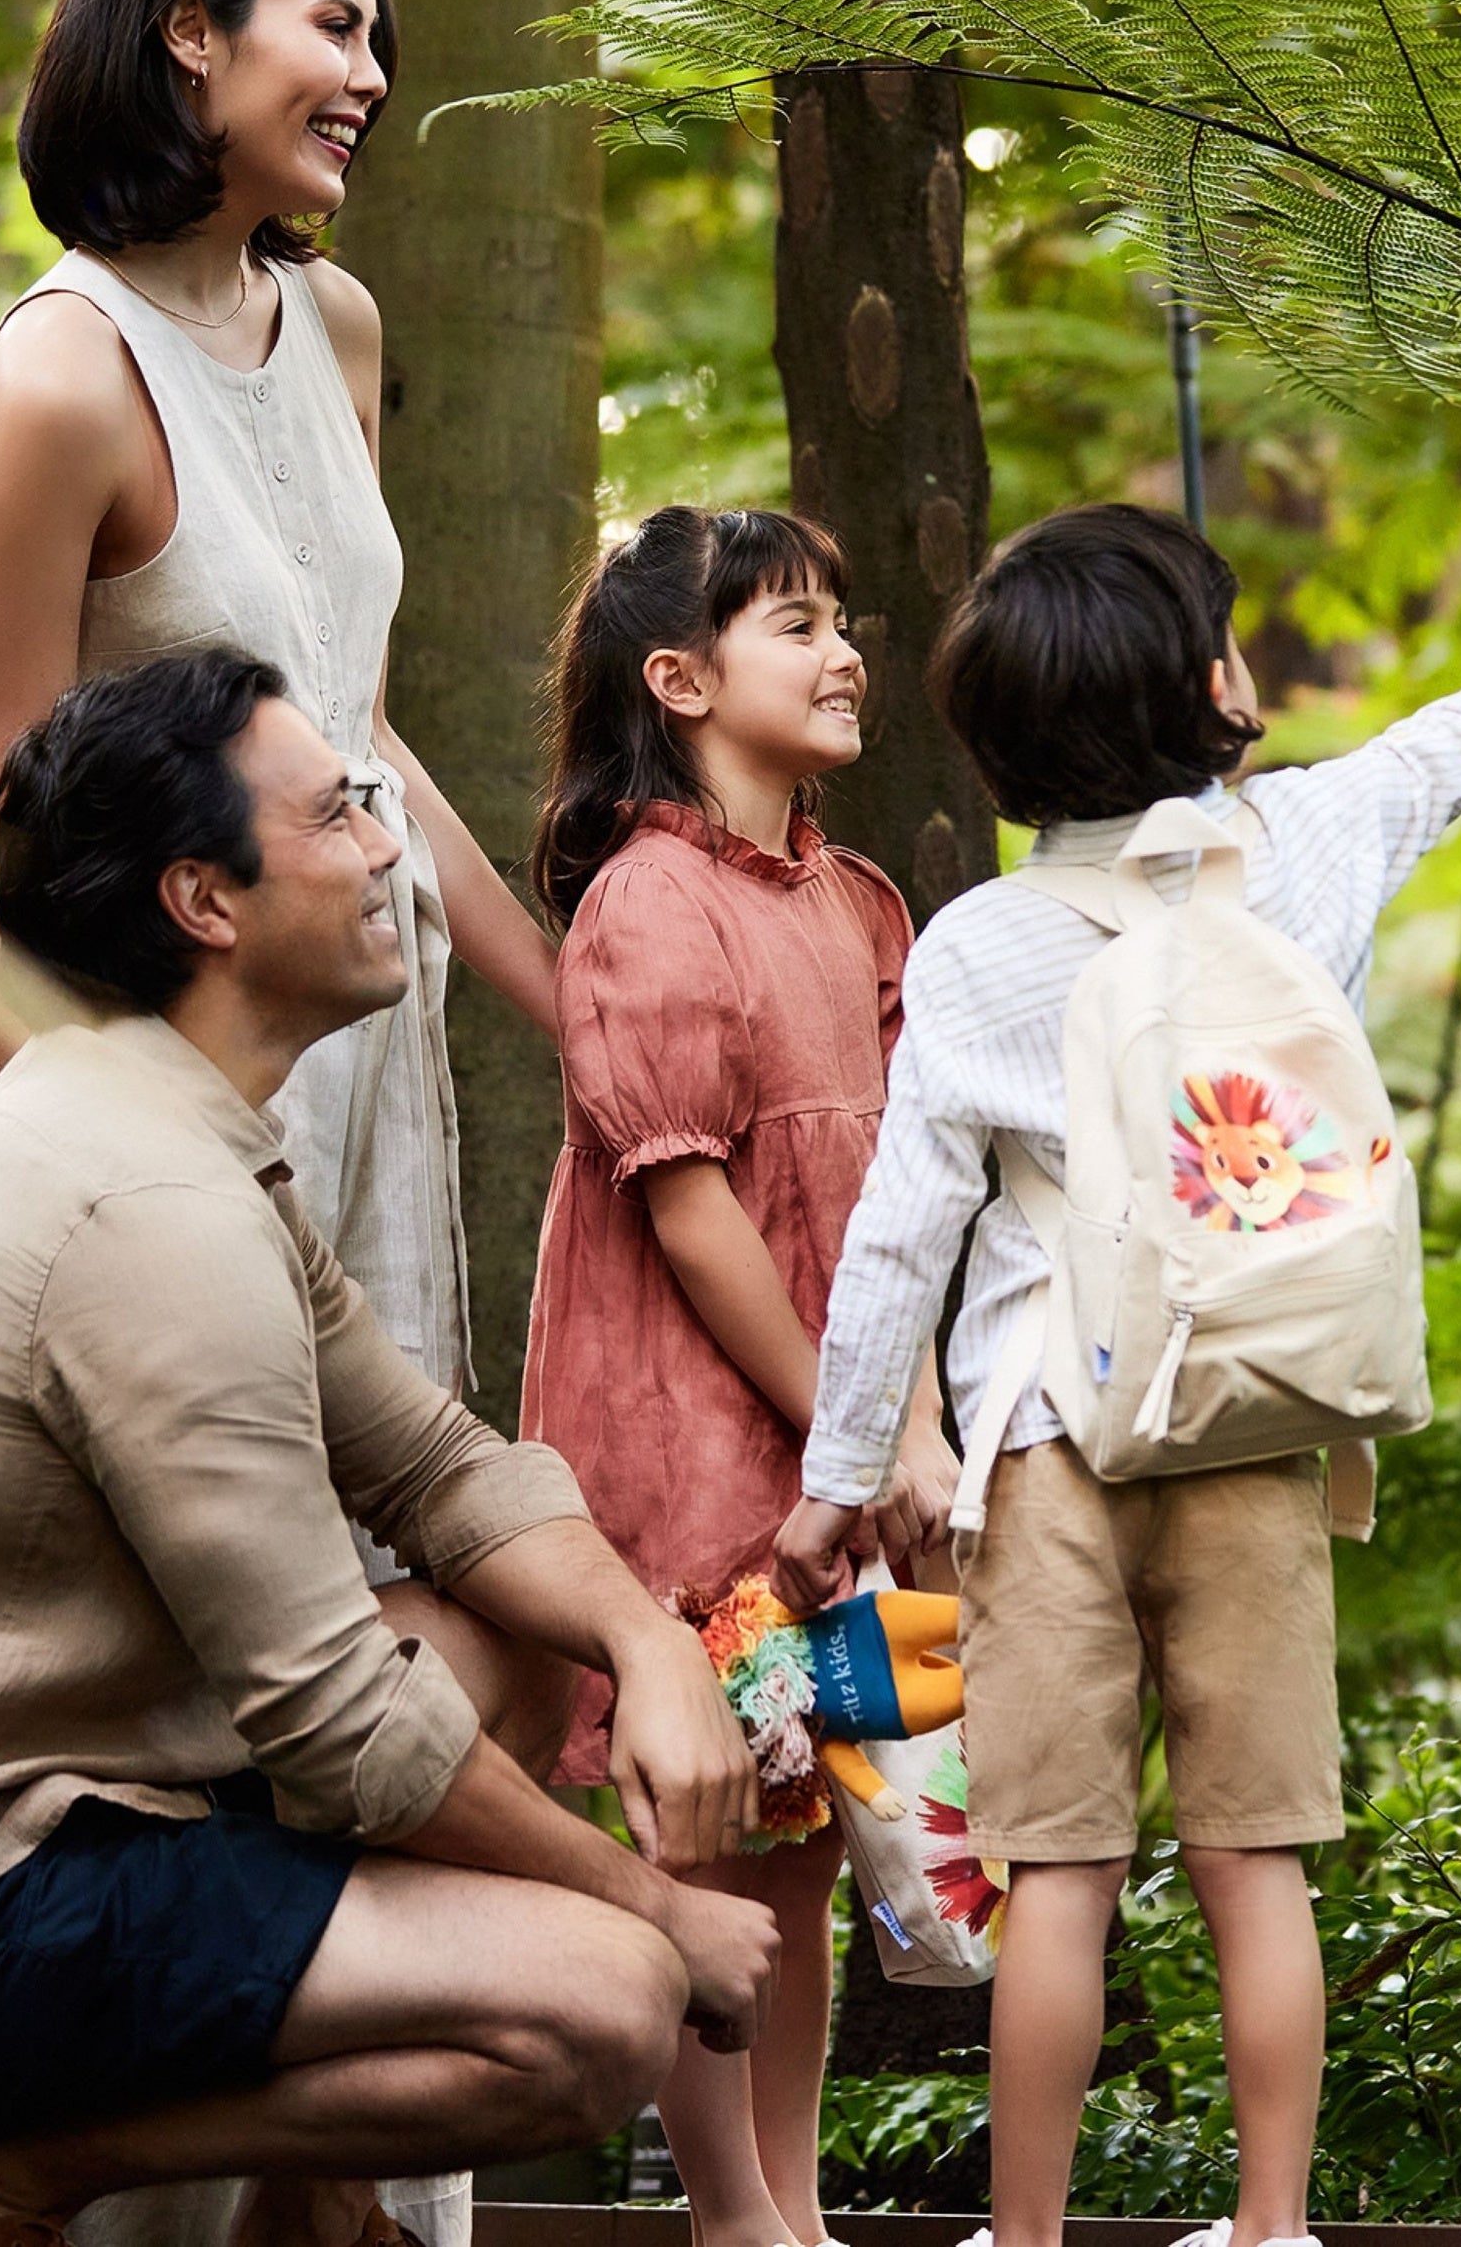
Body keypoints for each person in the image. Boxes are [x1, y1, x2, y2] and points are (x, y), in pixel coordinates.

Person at [770, 475, 1461, 2247]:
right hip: (1255, 1430)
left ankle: (1022, 2244)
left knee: (1061, 1879)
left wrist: (837, 1483)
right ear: (1212, 698)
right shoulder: (1312, 853)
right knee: (1257, 1862)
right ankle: (1270, 2230)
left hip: (1046, 1446)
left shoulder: (977, 948)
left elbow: (898, 1242)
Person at [0, 650, 777, 2247]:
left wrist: (648, 1642)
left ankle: (316, 2220)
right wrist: (656, 1907)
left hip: (87, 1809)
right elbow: (339, 1722)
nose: (390, 845)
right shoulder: (151, 1213)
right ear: (205, 901)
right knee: (603, 2009)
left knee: (506, 1625)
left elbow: (440, 1471)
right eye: (343, 811)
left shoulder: (174, 1130)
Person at [0, 0, 552, 1407]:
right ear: (192, 31)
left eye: (377, 43)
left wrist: (567, 1005)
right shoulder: (65, 376)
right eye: (335, 29)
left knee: (391, 1519)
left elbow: (356, 725)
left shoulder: (337, 329)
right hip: (173, 1058)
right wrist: (41, 1168)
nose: (371, 77)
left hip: (366, 1008)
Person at [514, 508, 951, 2247]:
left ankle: (793, 2205)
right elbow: (697, 1225)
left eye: (842, 620)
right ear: (680, 680)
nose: (844, 651)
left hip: (843, 1436)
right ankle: (727, 2216)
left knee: (809, 1822)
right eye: (796, 625)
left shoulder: (860, 906)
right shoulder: (645, 900)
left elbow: (910, 1201)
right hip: (696, 1430)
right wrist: (848, 1425)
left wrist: (899, 1422)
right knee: (705, 1798)